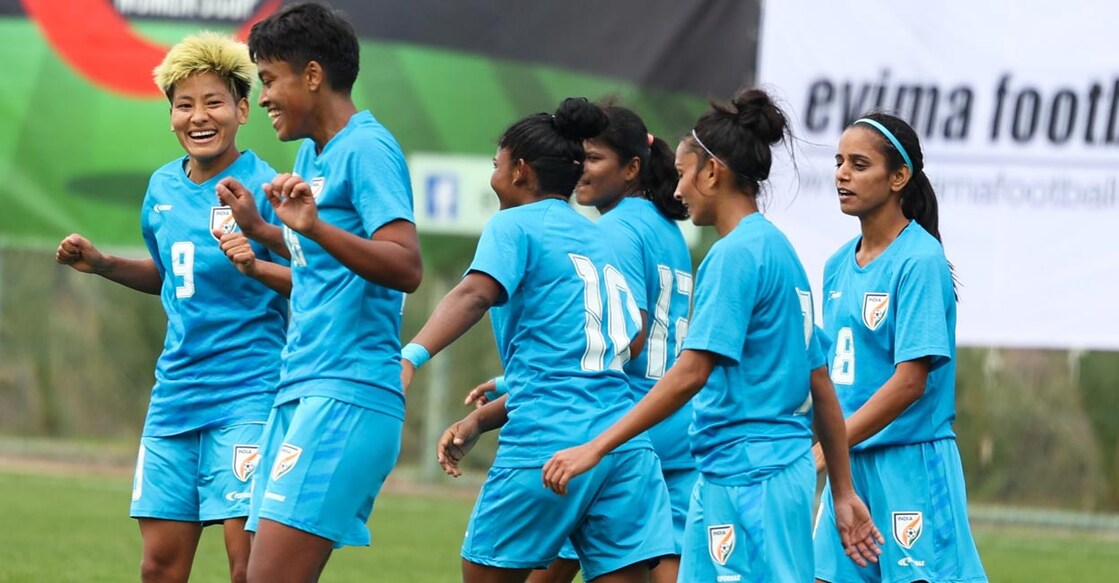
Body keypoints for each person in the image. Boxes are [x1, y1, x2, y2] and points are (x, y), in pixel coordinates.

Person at [541, 88, 884, 582]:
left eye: (683, 173)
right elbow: (821, 385)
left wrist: (597, 446)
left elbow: (690, 373)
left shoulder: (736, 256)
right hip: (730, 470)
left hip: (754, 475)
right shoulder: (777, 250)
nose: (677, 191)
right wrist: (844, 490)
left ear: (711, 172)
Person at [408, 97, 674, 583]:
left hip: (547, 444)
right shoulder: (601, 238)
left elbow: (472, 294)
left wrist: (410, 356)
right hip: (625, 451)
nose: (494, 176)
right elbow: (609, 350)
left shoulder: (514, 223)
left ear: (521, 172)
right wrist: (483, 418)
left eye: (497, 164)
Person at [55, 32, 286, 583]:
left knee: (247, 564)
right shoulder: (161, 187)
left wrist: (256, 264)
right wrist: (106, 264)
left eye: (213, 102)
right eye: (185, 104)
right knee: (159, 566)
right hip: (176, 396)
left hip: (250, 392)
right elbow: (170, 277)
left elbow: (309, 280)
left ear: (242, 109)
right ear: (172, 116)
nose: (198, 117)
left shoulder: (268, 188)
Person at [221, 3, 423, 582]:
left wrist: (311, 227)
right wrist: (266, 233)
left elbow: (406, 264)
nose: (262, 98)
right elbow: (324, 264)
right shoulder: (313, 151)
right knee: (247, 573)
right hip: (300, 387)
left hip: (348, 393)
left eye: (268, 80)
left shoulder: (368, 148)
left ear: (312, 76)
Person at [513, 105, 695, 583]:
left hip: (622, 428)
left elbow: (625, 338)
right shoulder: (664, 226)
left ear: (632, 167)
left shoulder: (614, 230)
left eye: (592, 158)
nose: (580, 169)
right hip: (672, 429)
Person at [812, 112, 987, 583]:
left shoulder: (920, 259)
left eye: (860, 164)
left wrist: (828, 448)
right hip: (851, 468)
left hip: (909, 463)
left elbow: (910, 382)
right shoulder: (835, 267)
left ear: (899, 177)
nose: (842, 174)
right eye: (839, 161)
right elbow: (834, 377)